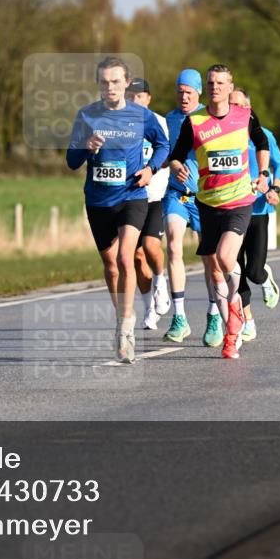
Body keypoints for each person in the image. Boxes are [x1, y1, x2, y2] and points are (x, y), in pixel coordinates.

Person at [67, 57, 169, 363]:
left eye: (115, 81)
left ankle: (127, 330)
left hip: (132, 195)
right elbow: (71, 161)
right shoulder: (86, 115)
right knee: (111, 266)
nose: (110, 87)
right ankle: (120, 318)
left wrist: (151, 169)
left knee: (127, 257)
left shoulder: (142, 116)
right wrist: (87, 146)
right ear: (98, 84)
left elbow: (164, 144)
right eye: (104, 82)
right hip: (98, 200)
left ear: (126, 83)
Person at [167, 64, 270, 360]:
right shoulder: (194, 121)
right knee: (214, 273)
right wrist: (179, 167)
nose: (215, 87)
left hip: (239, 201)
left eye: (220, 83)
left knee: (226, 258)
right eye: (211, 83)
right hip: (207, 203)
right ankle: (230, 333)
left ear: (230, 86)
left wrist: (263, 174)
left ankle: (236, 307)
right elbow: (176, 156)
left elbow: (261, 143)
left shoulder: (244, 116)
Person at [228, 88, 280, 342]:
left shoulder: (263, 135)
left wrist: (274, 188)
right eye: (230, 104)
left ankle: (265, 277)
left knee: (253, 271)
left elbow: (279, 163)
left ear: (248, 109)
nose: (234, 109)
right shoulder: (223, 135)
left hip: (259, 209)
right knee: (235, 269)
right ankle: (248, 320)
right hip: (232, 210)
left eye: (239, 105)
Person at [160, 69, 206, 343]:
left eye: (188, 92)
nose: (184, 96)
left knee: (211, 259)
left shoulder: (207, 118)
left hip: (205, 197)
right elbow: (168, 153)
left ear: (198, 92)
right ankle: (179, 317)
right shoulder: (171, 119)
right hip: (177, 194)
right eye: (180, 91)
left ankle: (216, 313)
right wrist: (171, 165)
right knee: (174, 245)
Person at [125, 78, 171, 330]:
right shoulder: (121, 122)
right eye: (131, 95)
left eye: (140, 96)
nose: (135, 100)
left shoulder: (159, 122)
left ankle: (161, 282)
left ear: (148, 98)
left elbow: (166, 152)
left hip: (154, 195)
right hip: (130, 197)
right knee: (135, 255)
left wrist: (153, 169)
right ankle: (149, 306)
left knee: (151, 246)